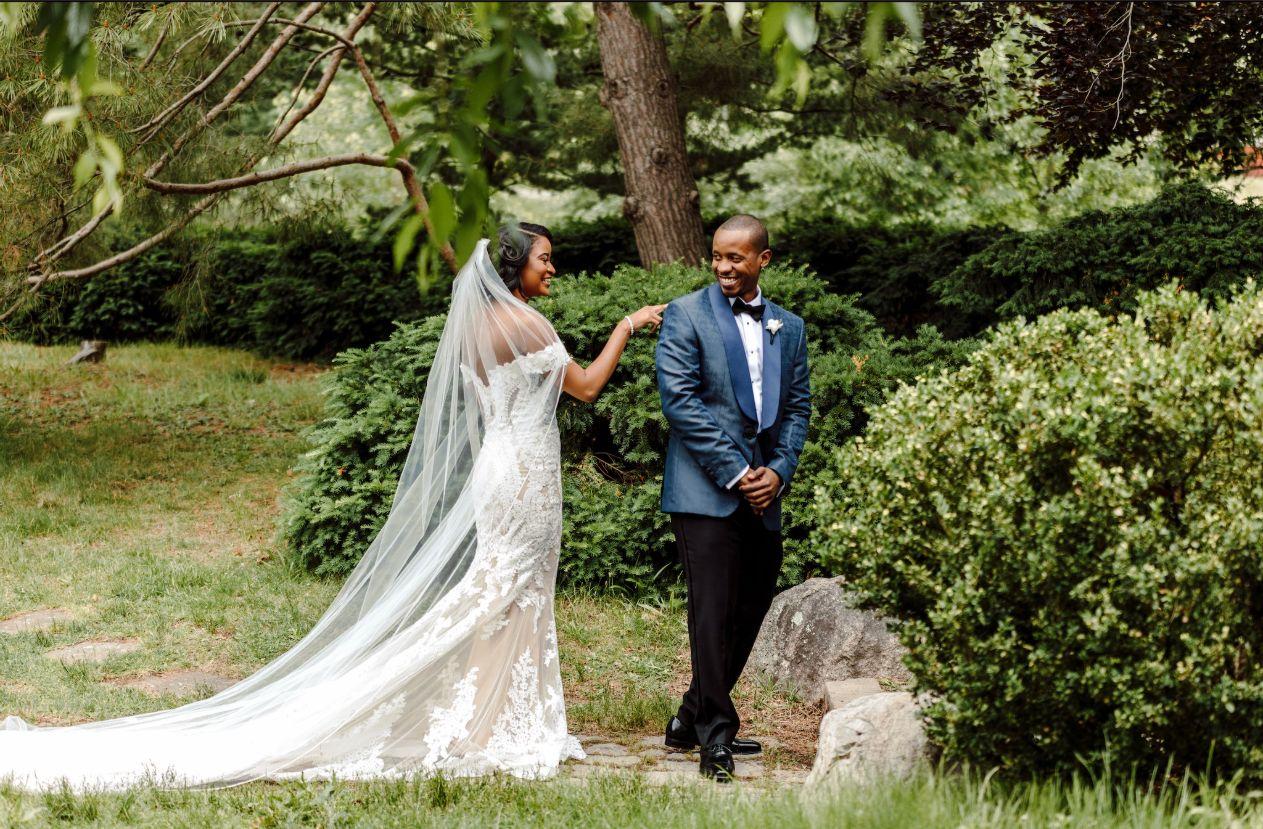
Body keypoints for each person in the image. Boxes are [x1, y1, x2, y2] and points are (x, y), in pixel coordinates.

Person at [0, 222, 666, 791]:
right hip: (524, 475)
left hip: (501, 469)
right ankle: (488, 721)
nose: (553, 267)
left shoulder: (475, 325)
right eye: (545, 258)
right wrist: (626, 325)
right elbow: (585, 386)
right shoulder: (526, 323)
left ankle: (494, 717)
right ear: (516, 266)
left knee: (502, 594)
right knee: (506, 594)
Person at [655, 214, 811, 781]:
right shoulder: (686, 314)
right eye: (717, 256)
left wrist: (779, 471)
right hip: (706, 491)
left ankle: (690, 716)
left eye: (735, 258)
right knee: (712, 611)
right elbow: (680, 402)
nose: (723, 266)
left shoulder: (789, 327)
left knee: (753, 601)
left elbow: (797, 407)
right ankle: (715, 736)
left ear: (762, 260)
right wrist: (739, 472)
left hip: (765, 494)